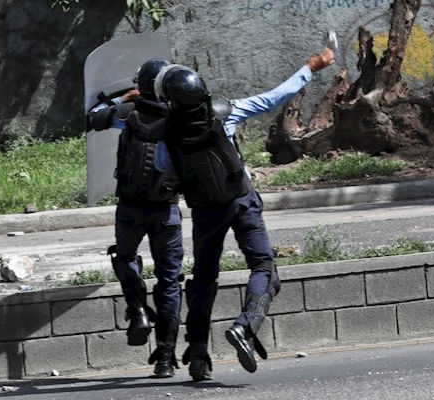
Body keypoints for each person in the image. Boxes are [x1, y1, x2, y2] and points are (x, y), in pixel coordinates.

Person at [154, 48, 335, 381]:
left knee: (204, 280)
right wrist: (310, 67)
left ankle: (197, 357)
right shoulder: (226, 113)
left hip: (206, 212)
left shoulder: (166, 134)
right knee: (263, 265)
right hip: (241, 202)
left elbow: (163, 168)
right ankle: (245, 326)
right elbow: (272, 98)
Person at [87, 58, 183, 378]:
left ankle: (138, 309)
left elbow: (94, 118)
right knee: (169, 282)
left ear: (141, 85)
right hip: (166, 208)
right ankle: (166, 358)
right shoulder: (181, 117)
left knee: (125, 255)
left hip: (129, 207)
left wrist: (121, 99)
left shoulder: (128, 115)